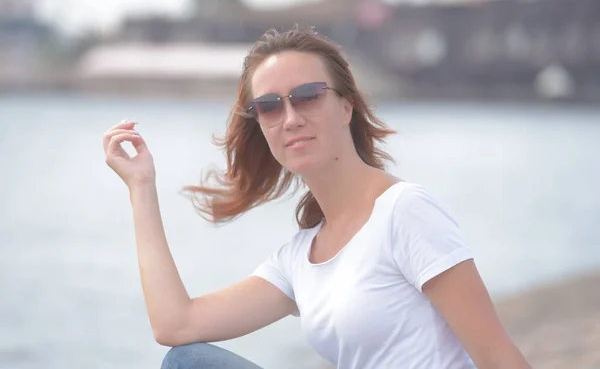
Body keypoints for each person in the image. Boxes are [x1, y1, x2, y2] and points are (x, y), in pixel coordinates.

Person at [103, 27, 532, 369]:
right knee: (188, 362)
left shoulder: (405, 211)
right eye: (270, 106)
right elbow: (177, 325)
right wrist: (141, 187)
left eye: (307, 96)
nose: (290, 118)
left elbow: (497, 357)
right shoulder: (299, 258)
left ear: (346, 106)